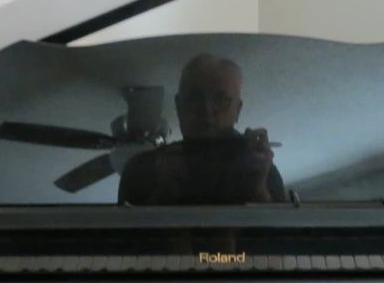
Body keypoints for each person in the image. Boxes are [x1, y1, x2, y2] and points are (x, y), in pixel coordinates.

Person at [118, 53, 286, 205]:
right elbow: (122, 228)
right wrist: (163, 191)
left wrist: (258, 189)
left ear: (238, 110)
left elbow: (284, 229)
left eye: (221, 100)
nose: (206, 110)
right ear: (179, 106)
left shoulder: (258, 167)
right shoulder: (143, 169)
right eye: (194, 99)